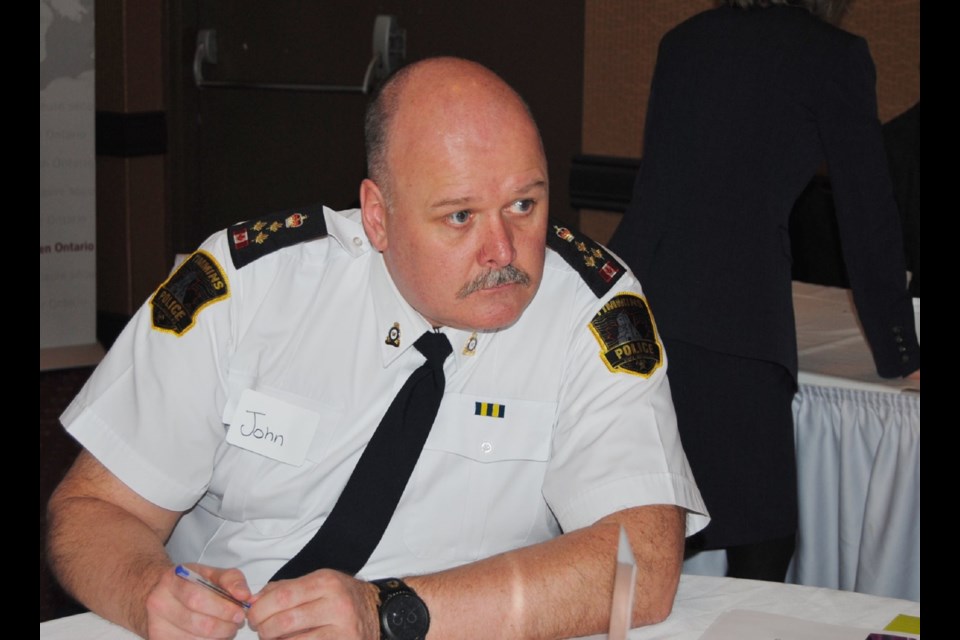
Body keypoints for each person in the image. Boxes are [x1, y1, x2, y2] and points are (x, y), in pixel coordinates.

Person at [47, 57, 708, 640]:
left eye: (525, 206)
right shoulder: (248, 293)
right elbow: (90, 512)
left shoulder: (590, 311)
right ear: (377, 216)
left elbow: (641, 571)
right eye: (460, 216)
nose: (503, 251)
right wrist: (148, 595)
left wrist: (390, 614)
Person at [609, 1, 920, 582]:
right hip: (740, 325)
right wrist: (899, 350)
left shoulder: (686, 40)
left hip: (647, 311)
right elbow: (867, 213)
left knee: (658, 525)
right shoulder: (834, 55)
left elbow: (657, 193)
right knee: (763, 541)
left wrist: (606, 308)